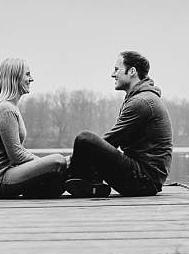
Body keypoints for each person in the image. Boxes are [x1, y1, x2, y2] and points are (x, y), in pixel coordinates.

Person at [64, 50, 173, 197]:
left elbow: (112, 140)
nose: (112, 74)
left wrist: (69, 161)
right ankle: (91, 185)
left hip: (145, 181)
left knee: (85, 139)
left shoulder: (142, 102)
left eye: (117, 69)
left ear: (132, 71)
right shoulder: (139, 98)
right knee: (88, 146)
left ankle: (72, 181)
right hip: (145, 179)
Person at [0, 58, 68, 199]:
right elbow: (16, 155)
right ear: (15, 77)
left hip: (7, 174)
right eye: (27, 74)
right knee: (58, 161)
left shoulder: (10, 107)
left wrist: (45, 166)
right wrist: (45, 164)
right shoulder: (5, 109)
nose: (31, 79)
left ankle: (84, 185)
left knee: (59, 179)